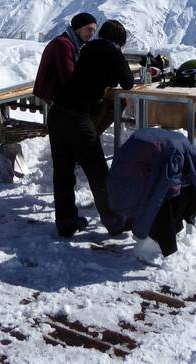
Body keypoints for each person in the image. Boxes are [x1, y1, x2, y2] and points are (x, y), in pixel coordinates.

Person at [47, 18, 134, 238]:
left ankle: (66, 223)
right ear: (119, 41)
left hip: (57, 113)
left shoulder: (88, 48)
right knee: (98, 171)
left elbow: (99, 75)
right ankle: (115, 222)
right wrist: (119, 55)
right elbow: (128, 82)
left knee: (63, 172)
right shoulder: (113, 52)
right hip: (77, 117)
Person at [32, 12, 97, 104]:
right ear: (78, 28)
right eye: (89, 29)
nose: (92, 34)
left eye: (94, 31)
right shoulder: (63, 44)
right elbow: (68, 76)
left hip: (59, 94)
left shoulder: (73, 43)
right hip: (56, 96)